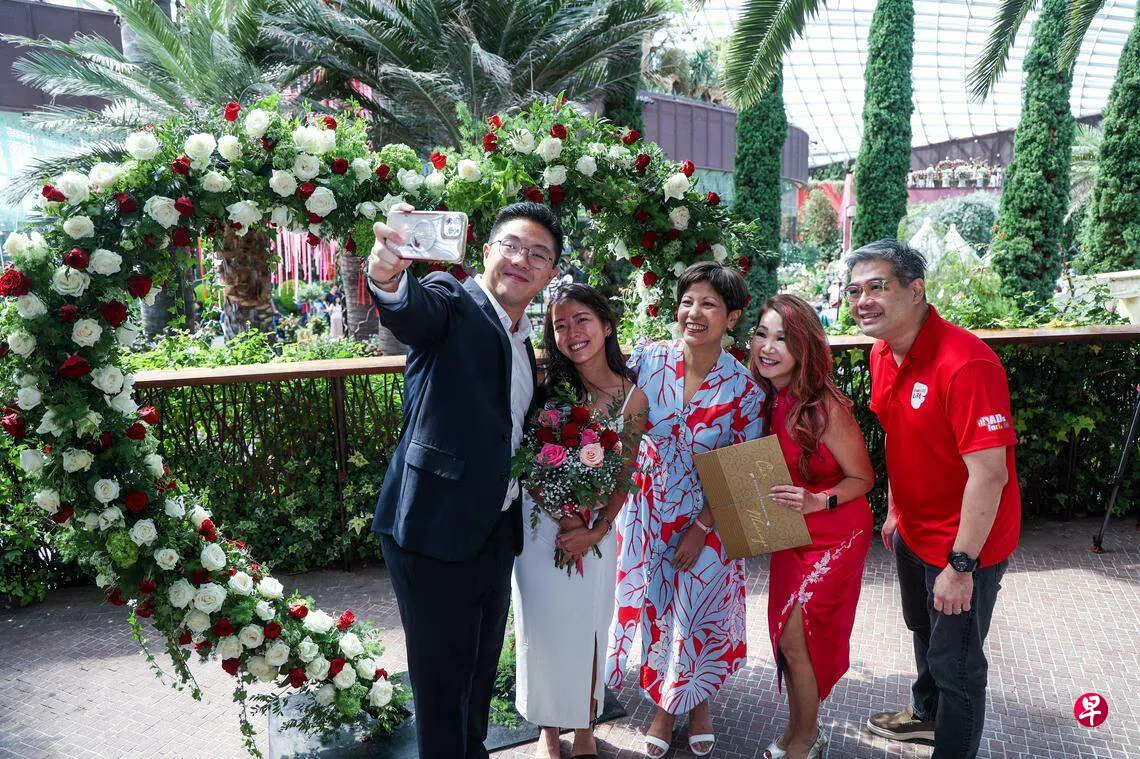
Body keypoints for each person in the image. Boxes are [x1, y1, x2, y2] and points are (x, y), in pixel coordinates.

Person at [366, 201, 561, 759]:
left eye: (538, 254)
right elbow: (412, 311)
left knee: (478, 670)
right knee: (441, 681)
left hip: (493, 529)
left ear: (550, 273)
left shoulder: (524, 337)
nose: (522, 260)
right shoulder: (454, 300)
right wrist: (387, 276)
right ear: (487, 252)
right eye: (512, 246)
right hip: (433, 528)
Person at [845, 240, 1020, 759]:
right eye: (854, 291)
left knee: (957, 665)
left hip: (966, 546)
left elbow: (990, 475)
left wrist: (961, 567)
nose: (862, 301)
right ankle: (925, 716)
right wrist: (895, 509)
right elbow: (897, 432)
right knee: (922, 629)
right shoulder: (883, 352)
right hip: (913, 530)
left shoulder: (966, 364)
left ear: (915, 290)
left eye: (877, 287)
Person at [606, 262, 765, 759]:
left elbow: (740, 469)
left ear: (731, 317)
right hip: (648, 513)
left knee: (699, 613)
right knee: (658, 609)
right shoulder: (650, 360)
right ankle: (669, 703)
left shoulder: (744, 389)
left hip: (707, 517)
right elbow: (625, 429)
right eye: (687, 301)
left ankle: (692, 705)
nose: (694, 312)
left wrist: (701, 527)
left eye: (709, 304)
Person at [512, 283, 642, 759]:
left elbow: (625, 476)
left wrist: (594, 530)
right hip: (541, 527)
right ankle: (547, 729)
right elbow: (527, 464)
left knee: (589, 628)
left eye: (582, 320)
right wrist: (564, 516)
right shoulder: (546, 390)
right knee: (542, 629)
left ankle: (585, 725)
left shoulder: (632, 397)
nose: (572, 333)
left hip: (597, 531)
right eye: (560, 326)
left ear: (606, 325)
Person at [750, 294, 875, 759]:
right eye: (761, 334)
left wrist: (816, 500)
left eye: (782, 338)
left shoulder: (825, 406)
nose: (768, 347)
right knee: (787, 639)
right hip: (792, 533)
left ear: (803, 347)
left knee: (799, 638)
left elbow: (863, 478)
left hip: (836, 533)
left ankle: (807, 739)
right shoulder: (766, 398)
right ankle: (798, 729)